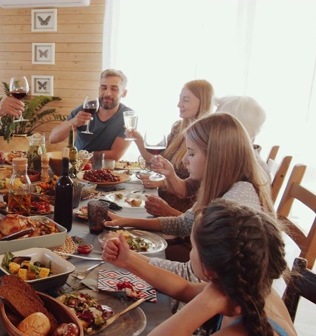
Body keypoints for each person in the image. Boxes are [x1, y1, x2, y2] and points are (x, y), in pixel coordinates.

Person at [104, 199, 307, 336]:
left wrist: (207, 300)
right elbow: (183, 288)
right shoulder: (252, 287)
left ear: (209, 270)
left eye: (193, 247)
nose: (191, 252)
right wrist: (129, 260)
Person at [105, 112, 273, 278]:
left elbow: (190, 275)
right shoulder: (222, 185)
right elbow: (183, 223)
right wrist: (124, 221)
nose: (185, 160)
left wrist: (129, 259)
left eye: (192, 153)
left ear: (216, 157)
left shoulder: (234, 206)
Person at [147, 95, 269, 217]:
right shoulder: (220, 158)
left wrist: (168, 212)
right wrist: (171, 174)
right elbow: (189, 188)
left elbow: (211, 229)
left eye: (218, 121)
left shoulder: (245, 185)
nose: (211, 125)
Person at [130, 79, 214, 214]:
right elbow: (156, 160)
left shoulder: (208, 137)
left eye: (186, 100)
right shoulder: (177, 127)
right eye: (180, 99)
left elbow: (193, 191)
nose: (179, 104)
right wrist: (138, 139)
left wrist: (162, 183)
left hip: (180, 211)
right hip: (160, 200)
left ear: (203, 102)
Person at [49, 69, 132, 161]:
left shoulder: (127, 116)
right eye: (103, 88)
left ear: (124, 93)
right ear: (99, 89)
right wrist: (73, 122)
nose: (107, 93)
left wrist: (82, 156)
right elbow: (53, 138)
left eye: (114, 89)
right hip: (78, 168)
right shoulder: (85, 108)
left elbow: (115, 155)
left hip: (106, 170)